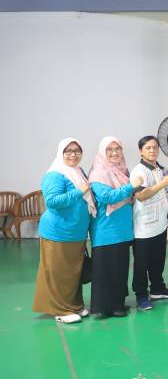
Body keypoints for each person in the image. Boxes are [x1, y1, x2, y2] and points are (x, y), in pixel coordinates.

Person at [33, 138, 95, 324]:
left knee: (73, 272)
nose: (73, 154)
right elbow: (52, 201)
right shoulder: (55, 174)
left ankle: (74, 305)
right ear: (61, 153)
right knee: (59, 273)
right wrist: (79, 191)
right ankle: (60, 310)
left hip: (75, 233)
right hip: (58, 232)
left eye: (77, 150)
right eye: (68, 151)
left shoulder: (78, 172)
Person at [88, 137, 143, 318]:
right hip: (106, 230)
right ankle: (103, 307)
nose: (114, 153)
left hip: (122, 229)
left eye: (117, 149)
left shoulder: (122, 170)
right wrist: (131, 186)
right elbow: (107, 197)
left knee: (119, 268)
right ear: (102, 152)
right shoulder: (97, 173)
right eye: (109, 149)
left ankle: (118, 304)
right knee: (105, 269)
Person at [130, 136, 168, 310]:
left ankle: (157, 288)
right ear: (141, 151)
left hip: (160, 223)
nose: (152, 151)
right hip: (144, 226)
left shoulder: (161, 169)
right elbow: (141, 195)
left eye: (155, 147)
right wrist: (163, 183)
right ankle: (141, 295)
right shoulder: (138, 171)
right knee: (141, 264)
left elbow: (166, 192)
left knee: (158, 260)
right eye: (148, 148)